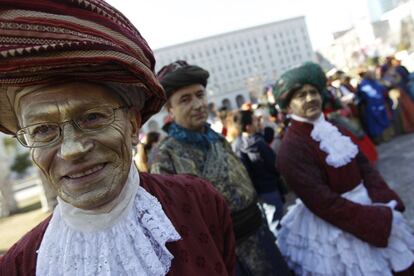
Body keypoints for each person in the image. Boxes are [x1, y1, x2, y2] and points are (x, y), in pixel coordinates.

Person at [0, 1, 236, 275]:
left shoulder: (199, 202)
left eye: (92, 117)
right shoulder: (18, 266)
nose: (72, 149)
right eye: (43, 130)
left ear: (133, 124)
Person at [273, 62, 414, 275]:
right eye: (301, 95)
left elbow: (365, 167)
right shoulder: (291, 149)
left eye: (313, 92)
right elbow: (323, 202)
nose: (310, 98)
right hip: (336, 225)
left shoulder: (334, 127)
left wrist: (382, 199)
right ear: (288, 105)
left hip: (369, 206)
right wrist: (374, 220)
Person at [151, 60, 291, 276]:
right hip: (221, 253)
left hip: (259, 236)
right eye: (185, 99)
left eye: (200, 95)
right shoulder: (166, 155)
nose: (198, 104)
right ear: (170, 108)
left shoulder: (217, 138)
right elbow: (173, 221)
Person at [232, 110, 286, 230]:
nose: (258, 122)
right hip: (269, 189)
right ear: (248, 126)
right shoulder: (256, 143)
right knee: (277, 223)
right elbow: (274, 164)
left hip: (258, 192)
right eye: (255, 120)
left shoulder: (236, 144)